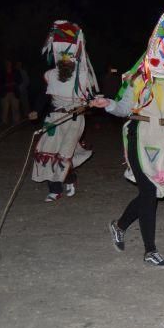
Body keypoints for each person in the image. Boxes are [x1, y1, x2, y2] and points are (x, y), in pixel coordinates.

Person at [91, 3, 164, 267]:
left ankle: (119, 226)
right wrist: (107, 104)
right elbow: (122, 108)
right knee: (150, 192)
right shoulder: (138, 80)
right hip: (139, 136)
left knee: (149, 193)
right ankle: (150, 250)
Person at [30, 21, 99, 201]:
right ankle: (57, 186)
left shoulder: (84, 77)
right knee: (49, 153)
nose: (66, 61)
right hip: (54, 119)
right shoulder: (51, 75)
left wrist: (91, 103)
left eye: (69, 57)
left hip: (75, 119)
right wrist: (36, 111)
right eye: (63, 57)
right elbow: (44, 96)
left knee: (65, 154)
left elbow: (93, 98)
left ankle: (59, 186)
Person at [0, 60, 21, 125]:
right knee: (4, 108)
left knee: (15, 108)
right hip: (5, 93)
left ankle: (16, 121)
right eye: (7, 63)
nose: (8, 64)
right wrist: (4, 85)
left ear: (11, 64)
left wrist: (15, 83)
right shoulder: (2, 72)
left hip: (14, 92)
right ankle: (4, 121)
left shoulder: (16, 71)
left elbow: (20, 80)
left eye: (9, 63)